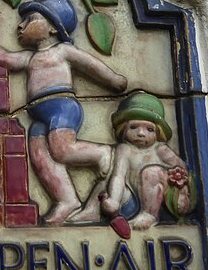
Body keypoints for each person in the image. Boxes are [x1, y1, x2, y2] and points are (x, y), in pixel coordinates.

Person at [0, 0, 128, 225]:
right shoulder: (29, 58)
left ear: (53, 29)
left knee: (61, 151)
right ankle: (66, 200)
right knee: (40, 157)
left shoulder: (63, 52)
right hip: (38, 115)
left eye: (30, 19)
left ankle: (103, 153)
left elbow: (91, 66)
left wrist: (114, 80)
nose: (20, 25)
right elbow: (5, 59)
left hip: (62, 108)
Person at [69, 91, 193, 230]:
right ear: (123, 129)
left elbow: (182, 172)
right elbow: (119, 176)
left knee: (151, 172)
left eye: (149, 129)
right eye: (133, 127)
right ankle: (92, 211)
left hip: (166, 202)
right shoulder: (124, 149)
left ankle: (149, 215)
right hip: (133, 200)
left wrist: (182, 192)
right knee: (107, 179)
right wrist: (114, 201)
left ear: (158, 133)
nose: (141, 133)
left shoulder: (161, 150)